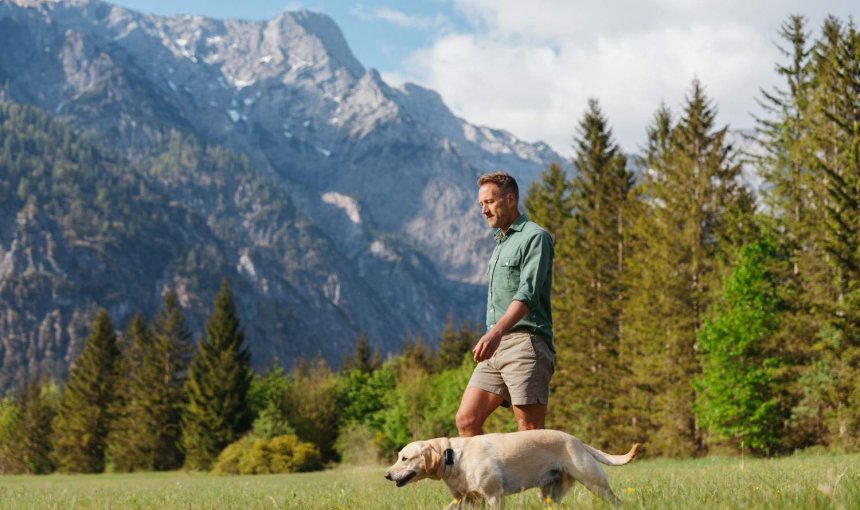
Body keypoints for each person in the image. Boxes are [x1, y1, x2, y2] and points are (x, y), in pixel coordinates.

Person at [455, 171, 555, 437]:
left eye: (489, 202)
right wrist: (494, 335)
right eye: (481, 205)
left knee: (530, 432)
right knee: (467, 420)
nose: (483, 210)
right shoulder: (501, 244)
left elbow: (528, 293)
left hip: (525, 343)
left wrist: (495, 332)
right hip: (496, 347)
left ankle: (553, 479)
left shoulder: (535, 237)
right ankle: (488, 480)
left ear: (510, 200)